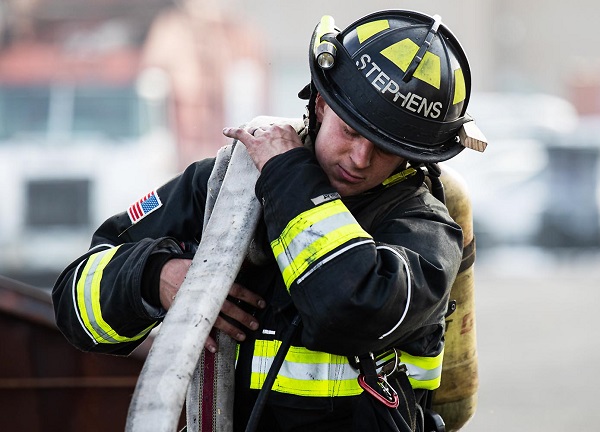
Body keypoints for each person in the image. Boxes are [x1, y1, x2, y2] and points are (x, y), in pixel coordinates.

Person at [52, 9, 486, 432]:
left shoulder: (426, 231)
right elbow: (72, 303)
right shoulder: (224, 188)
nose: (360, 158)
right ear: (319, 104)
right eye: (351, 131)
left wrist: (288, 176)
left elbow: (350, 307)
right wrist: (156, 279)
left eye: (384, 148)